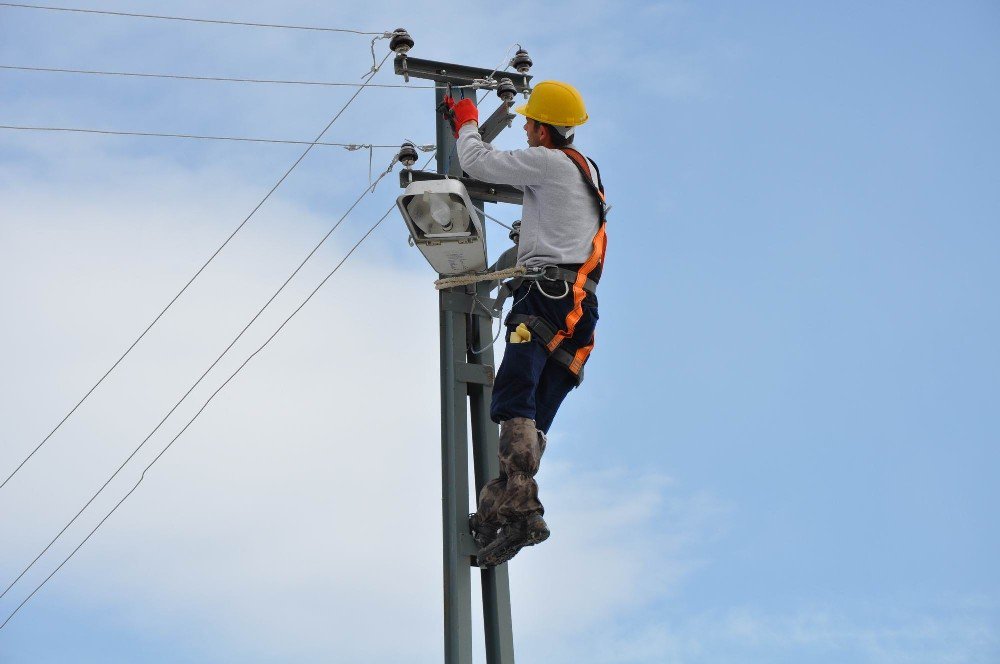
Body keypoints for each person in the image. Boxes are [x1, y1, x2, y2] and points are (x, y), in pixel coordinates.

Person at [444, 81, 608, 567]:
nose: (527, 131)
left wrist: (467, 121)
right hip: (580, 308)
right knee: (531, 415)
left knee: (513, 395)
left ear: (542, 127)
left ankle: (521, 507)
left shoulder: (548, 163)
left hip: (547, 298)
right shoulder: (584, 170)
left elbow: (475, 163)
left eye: (530, 123)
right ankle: (501, 505)